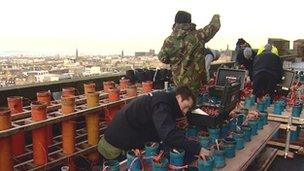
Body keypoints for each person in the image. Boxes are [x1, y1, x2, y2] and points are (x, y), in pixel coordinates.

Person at [97, 86, 209, 164]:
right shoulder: (162, 105)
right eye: (185, 107)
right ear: (178, 97)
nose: (185, 112)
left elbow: (159, 130)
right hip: (113, 148)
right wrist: (197, 149)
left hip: (117, 140)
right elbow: (168, 134)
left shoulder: (163, 99)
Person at [158, 11, 221, 94]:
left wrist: (175, 60)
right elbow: (213, 27)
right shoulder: (198, 36)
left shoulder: (169, 40)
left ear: (176, 22)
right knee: (194, 104)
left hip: (178, 82)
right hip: (196, 82)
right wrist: (216, 16)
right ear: (189, 21)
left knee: (181, 102)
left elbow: (162, 57)